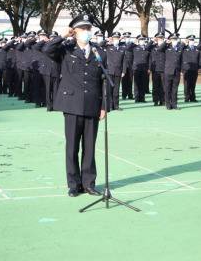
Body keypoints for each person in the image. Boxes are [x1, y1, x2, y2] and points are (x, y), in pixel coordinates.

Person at [43, 13, 107, 197]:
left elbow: (103, 81)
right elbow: (47, 49)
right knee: (72, 147)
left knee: (90, 147)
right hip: (72, 105)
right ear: (75, 31)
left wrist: (103, 106)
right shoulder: (66, 50)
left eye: (88, 28)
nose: (86, 32)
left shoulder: (98, 52)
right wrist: (63, 36)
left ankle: (89, 183)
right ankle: (73, 184)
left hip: (92, 105)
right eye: (82, 29)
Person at [104, 31, 126, 110]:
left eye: (117, 38)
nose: (116, 39)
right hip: (110, 71)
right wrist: (107, 40)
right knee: (109, 90)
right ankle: (109, 106)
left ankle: (116, 106)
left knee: (116, 90)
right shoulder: (108, 47)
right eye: (114, 38)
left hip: (118, 71)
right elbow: (99, 45)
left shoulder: (122, 48)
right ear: (112, 39)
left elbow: (124, 61)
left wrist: (124, 71)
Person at [161, 34, 183, 110]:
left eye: (175, 39)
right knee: (167, 89)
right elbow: (160, 49)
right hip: (168, 71)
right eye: (173, 39)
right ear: (170, 40)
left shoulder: (179, 48)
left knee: (175, 89)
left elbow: (181, 60)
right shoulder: (167, 47)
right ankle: (168, 104)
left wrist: (181, 70)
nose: (174, 41)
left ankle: (174, 104)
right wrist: (166, 42)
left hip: (176, 71)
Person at [131, 35, 152, 103]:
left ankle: (142, 98)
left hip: (144, 68)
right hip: (136, 68)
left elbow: (149, 59)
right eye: (140, 40)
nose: (142, 41)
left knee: (143, 84)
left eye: (143, 40)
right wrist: (134, 42)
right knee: (136, 84)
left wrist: (149, 68)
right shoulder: (135, 47)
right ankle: (137, 98)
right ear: (138, 41)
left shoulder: (147, 49)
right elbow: (128, 48)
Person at [182, 35, 200, 103]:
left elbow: (199, 59)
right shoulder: (184, 48)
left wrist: (199, 67)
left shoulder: (196, 48)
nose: (192, 41)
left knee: (193, 84)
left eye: (192, 40)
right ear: (188, 41)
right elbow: (179, 48)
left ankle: (192, 97)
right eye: (190, 40)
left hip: (194, 69)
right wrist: (184, 43)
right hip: (186, 69)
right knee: (187, 84)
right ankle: (186, 97)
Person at [150, 32, 166, 106]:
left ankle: (163, 100)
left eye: (161, 38)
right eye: (159, 38)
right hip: (155, 69)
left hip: (163, 69)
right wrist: (152, 41)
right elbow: (146, 48)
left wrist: (165, 43)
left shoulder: (166, 46)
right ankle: (155, 100)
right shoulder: (153, 46)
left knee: (163, 86)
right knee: (155, 86)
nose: (160, 39)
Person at [121, 32, 134, 100]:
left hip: (131, 65)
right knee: (124, 81)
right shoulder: (121, 44)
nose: (127, 38)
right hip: (123, 65)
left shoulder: (132, 45)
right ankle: (124, 95)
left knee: (130, 81)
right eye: (125, 37)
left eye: (128, 37)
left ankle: (130, 95)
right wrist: (120, 39)